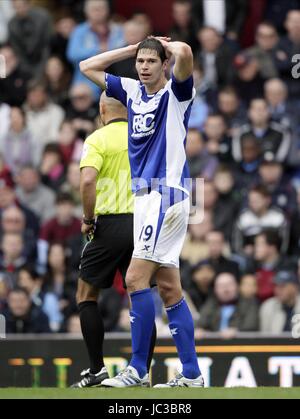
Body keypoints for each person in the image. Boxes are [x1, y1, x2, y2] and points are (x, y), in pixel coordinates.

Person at [80, 36, 204, 388]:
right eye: (141, 62)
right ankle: (192, 373)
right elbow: (86, 67)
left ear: (164, 65)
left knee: (135, 279)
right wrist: (131, 48)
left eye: (152, 61)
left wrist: (168, 45)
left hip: (165, 193)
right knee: (168, 287)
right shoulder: (132, 92)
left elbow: (187, 53)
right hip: (149, 199)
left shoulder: (177, 94)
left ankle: (136, 369)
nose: (145, 67)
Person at [72, 93, 156, 388]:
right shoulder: (144, 137)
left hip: (108, 225)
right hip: (143, 223)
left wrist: (87, 218)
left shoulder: (97, 139)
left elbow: (87, 181)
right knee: (141, 297)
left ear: (101, 109)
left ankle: (96, 369)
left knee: (86, 295)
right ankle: (141, 371)